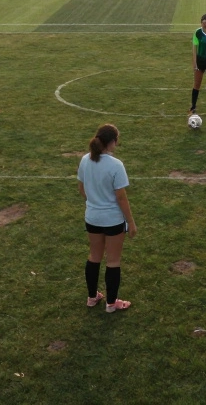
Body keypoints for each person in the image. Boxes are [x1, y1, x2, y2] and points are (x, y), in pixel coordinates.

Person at [78, 124, 136, 313]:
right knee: (113, 261)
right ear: (112, 142)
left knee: (94, 256)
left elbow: (82, 189)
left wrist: (95, 201)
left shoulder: (85, 160)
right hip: (112, 220)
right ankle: (111, 303)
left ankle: (92, 297)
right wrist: (132, 222)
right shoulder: (115, 165)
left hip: (92, 217)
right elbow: (121, 197)